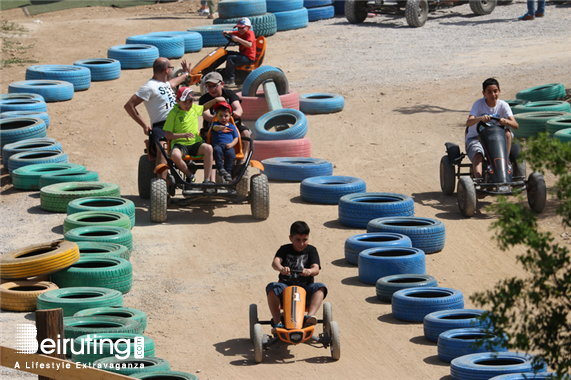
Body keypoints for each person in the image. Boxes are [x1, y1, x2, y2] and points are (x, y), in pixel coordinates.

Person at [124, 58, 191, 180]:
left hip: (180, 123)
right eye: (171, 68)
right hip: (162, 125)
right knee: (162, 148)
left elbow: (175, 81)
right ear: (166, 70)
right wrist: (144, 125)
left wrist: (186, 74)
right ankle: (162, 185)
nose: (172, 70)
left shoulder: (166, 84)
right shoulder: (149, 87)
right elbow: (129, 106)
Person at [266, 221, 328, 334]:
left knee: (320, 287)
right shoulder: (285, 249)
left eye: (305, 240)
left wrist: (309, 271)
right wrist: (281, 268)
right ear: (290, 238)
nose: (301, 243)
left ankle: (309, 317)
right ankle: (277, 323)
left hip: (305, 289)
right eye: (298, 240)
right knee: (271, 288)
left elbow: (316, 269)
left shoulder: (311, 250)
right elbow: (275, 262)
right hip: (285, 288)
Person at [163, 87, 225, 193]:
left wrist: (215, 100)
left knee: (209, 148)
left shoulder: (194, 108)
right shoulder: (173, 113)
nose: (188, 105)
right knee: (175, 155)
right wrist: (182, 135)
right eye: (185, 102)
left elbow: (204, 107)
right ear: (177, 101)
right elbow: (167, 135)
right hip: (180, 143)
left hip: (195, 142)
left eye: (190, 101)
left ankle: (207, 180)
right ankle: (189, 175)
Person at [466, 78, 519, 179]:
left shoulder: (503, 105)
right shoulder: (478, 104)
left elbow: (515, 125)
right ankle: (478, 180)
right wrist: (480, 118)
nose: (493, 95)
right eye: (489, 92)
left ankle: (505, 163)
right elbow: (469, 122)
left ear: (499, 91)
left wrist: (506, 121)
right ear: (484, 93)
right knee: (478, 153)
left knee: (507, 133)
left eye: (495, 91)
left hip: (496, 138)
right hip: (477, 137)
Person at [198, 71, 251, 162]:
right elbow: (206, 115)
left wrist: (237, 112)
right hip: (213, 128)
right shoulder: (204, 99)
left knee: (246, 133)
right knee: (203, 137)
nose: (211, 89)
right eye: (208, 86)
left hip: (232, 126)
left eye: (214, 85)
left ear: (222, 84)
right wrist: (215, 104)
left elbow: (238, 107)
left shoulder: (229, 94)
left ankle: (241, 160)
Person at [221, 17, 256, 86]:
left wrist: (238, 39)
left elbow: (249, 44)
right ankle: (211, 69)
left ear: (249, 27)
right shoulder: (241, 33)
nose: (240, 30)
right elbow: (232, 32)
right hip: (242, 55)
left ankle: (230, 79)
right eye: (238, 28)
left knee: (230, 58)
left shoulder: (250, 33)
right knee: (225, 53)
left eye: (242, 28)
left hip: (248, 58)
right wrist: (226, 32)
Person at [210, 102, 239, 182]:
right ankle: (220, 169)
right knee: (217, 151)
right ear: (217, 116)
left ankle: (227, 172)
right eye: (221, 116)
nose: (223, 118)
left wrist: (231, 144)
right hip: (218, 145)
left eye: (226, 116)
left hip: (228, 145)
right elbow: (214, 128)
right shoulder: (215, 124)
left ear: (230, 116)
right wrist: (220, 128)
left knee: (231, 154)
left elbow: (236, 138)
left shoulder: (232, 126)